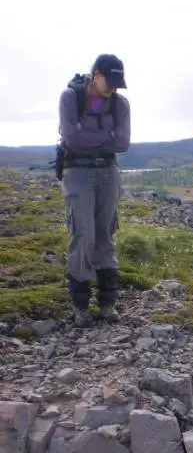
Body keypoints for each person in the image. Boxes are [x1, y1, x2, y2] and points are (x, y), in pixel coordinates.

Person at [58, 54, 131, 327]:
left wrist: (87, 138)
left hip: (108, 173)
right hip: (77, 172)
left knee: (106, 233)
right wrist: (106, 138)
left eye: (117, 82)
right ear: (96, 74)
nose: (113, 87)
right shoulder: (71, 98)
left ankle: (108, 304)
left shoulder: (120, 104)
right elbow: (71, 138)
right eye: (109, 81)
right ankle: (80, 307)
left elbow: (123, 143)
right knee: (82, 234)